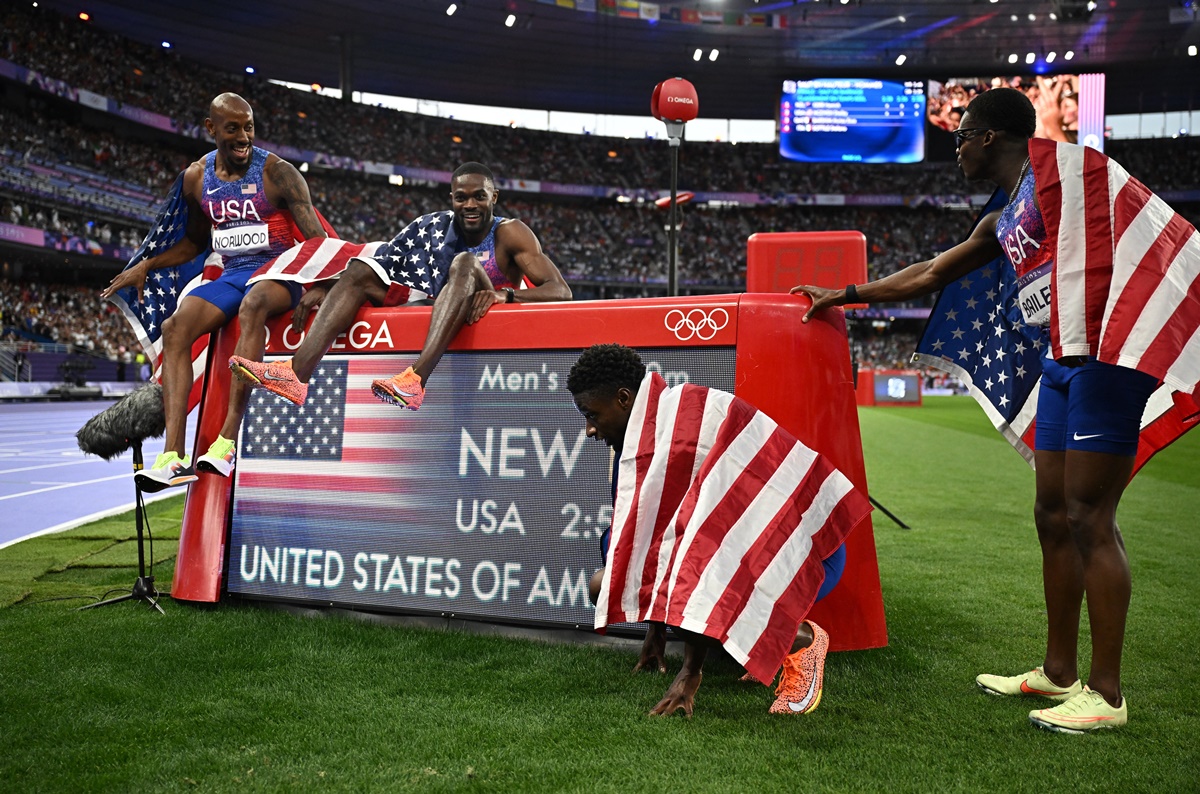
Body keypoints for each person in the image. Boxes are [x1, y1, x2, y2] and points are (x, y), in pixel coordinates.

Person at [792, 87, 1193, 733]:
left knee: (1091, 516)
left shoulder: (1072, 174)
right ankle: (1059, 672)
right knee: (1052, 515)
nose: (955, 152)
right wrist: (844, 294)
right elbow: (929, 273)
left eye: (960, 138)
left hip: (1108, 360)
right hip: (1062, 362)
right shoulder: (1005, 213)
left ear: (987, 138)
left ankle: (1108, 694)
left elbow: (1140, 230)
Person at [567, 343, 862, 718]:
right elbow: (647, 538)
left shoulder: (686, 432)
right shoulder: (640, 436)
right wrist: (655, 631)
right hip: (748, 549)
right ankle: (756, 639)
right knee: (613, 558)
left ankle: (803, 643)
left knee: (688, 584)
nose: (589, 429)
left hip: (803, 553)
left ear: (624, 398)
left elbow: (705, 551)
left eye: (592, 414)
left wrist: (689, 673)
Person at [101, 93, 327, 489]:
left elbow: (317, 239)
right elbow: (193, 243)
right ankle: (173, 456)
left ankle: (226, 443)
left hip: (278, 271)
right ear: (211, 129)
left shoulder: (278, 173)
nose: (244, 138)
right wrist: (147, 265)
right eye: (233, 129)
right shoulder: (196, 178)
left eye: (249, 127)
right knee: (175, 328)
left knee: (254, 303)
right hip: (232, 273)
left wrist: (322, 285)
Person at [230, 162, 571, 422]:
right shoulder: (435, 228)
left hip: (486, 320)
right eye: (461, 197)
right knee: (362, 269)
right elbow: (390, 261)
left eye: (479, 196)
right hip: (441, 305)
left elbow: (560, 290)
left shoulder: (510, 233)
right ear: (451, 199)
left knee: (465, 261)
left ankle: (415, 380)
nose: (470, 204)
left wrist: (504, 296)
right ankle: (296, 373)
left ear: (493, 197)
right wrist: (328, 286)